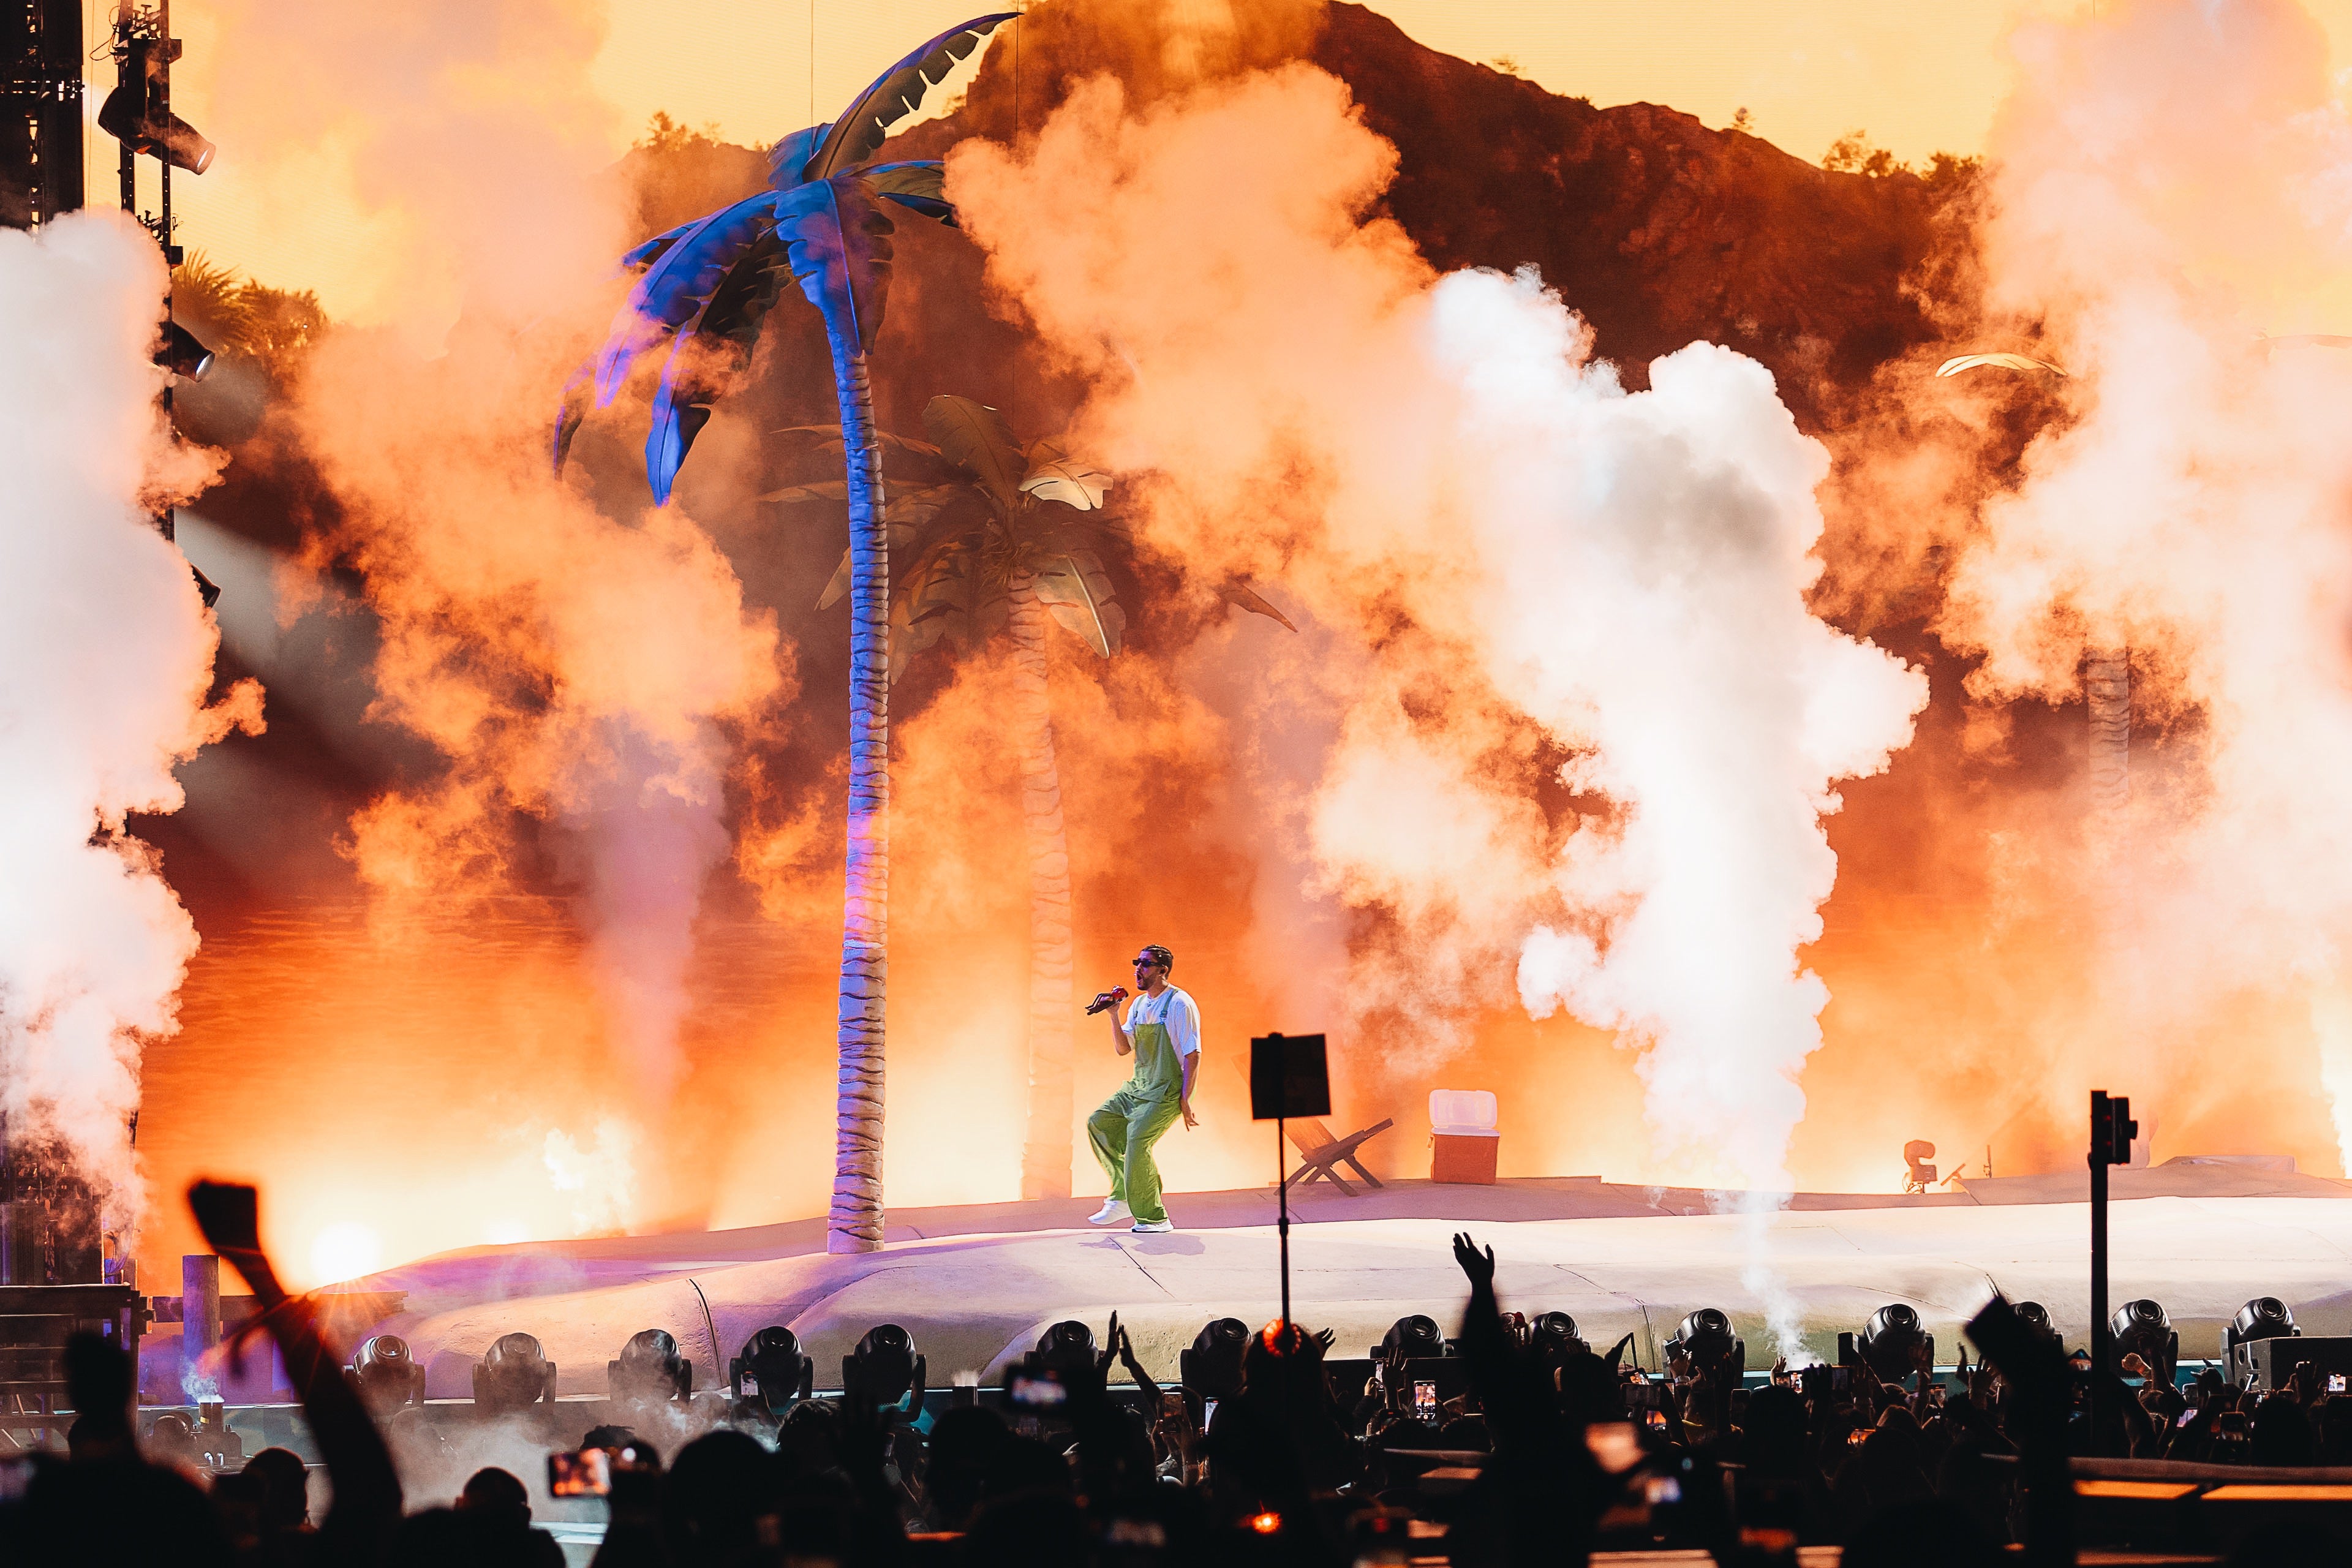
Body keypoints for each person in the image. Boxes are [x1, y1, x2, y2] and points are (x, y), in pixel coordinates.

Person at [1085, 943, 1200, 1234]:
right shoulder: (1138, 1004)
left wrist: (1185, 1099)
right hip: (1138, 1087)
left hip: (1165, 1091)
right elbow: (1124, 1049)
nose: (1138, 969)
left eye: (1146, 964)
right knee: (1100, 1123)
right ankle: (1124, 1195)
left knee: (1137, 1141)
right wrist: (1113, 1014)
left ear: (1163, 970)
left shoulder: (1179, 1003)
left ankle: (1155, 1218)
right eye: (1137, 962)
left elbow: (1192, 1054)